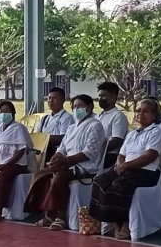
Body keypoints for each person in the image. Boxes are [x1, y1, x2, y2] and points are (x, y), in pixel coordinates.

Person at [89, 98, 161, 240]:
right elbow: (121, 154)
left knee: (119, 184)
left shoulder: (156, 132)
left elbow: (150, 156)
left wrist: (127, 166)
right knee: (100, 181)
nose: (140, 114)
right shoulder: (132, 133)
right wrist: (121, 165)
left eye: (145, 111)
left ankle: (125, 224)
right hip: (127, 169)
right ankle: (114, 221)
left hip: (146, 172)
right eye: (138, 111)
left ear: (154, 115)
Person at [25, 94, 107, 230]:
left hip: (85, 168)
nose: (77, 109)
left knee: (60, 176)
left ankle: (60, 216)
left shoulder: (96, 126)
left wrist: (66, 161)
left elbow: (89, 152)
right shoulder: (71, 128)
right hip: (66, 164)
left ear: (90, 107)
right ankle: (46, 212)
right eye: (74, 107)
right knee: (39, 174)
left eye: (80, 106)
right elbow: (62, 148)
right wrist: (56, 159)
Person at [34, 87, 74, 158]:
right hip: (42, 151)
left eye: (54, 98)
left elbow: (64, 138)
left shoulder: (67, 118)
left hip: (57, 153)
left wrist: (44, 138)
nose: (50, 101)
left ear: (63, 100)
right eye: (49, 98)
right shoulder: (44, 118)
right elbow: (36, 136)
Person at [96, 82, 129, 169]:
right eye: (99, 96)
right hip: (95, 154)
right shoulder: (98, 116)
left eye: (103, 96)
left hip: (108, 156)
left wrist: (96, 150)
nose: (100, 99)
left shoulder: (118, 116)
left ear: (114, 97)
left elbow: (117, 141)